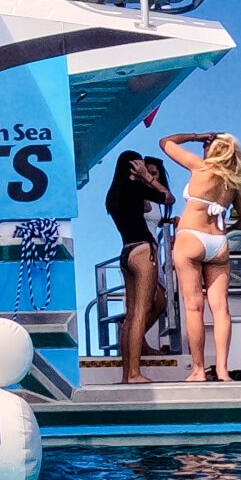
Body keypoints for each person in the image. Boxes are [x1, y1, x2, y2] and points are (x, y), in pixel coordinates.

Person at [158, 131, 241, 383]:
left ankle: (199, 370)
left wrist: (195, 136)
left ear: (212, 150)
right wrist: (230, 229)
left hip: (191, 237)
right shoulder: (234, 184)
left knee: (194, 307)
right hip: (218, 243)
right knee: (221, 309)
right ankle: (223, 370)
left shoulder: (200, 168)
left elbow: (165, 143)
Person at [105, 150, 174, 384]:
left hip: (125, 251)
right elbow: (168, 198)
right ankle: (135, 373)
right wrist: (148, 177)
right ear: (134, 166)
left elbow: (142, 211)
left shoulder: (113, 194)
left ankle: (127, 375)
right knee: (139, 315)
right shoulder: (135, 188)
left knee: (131, 316)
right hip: (143, 251)